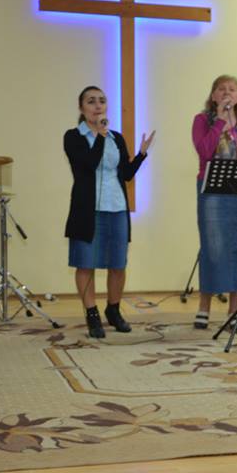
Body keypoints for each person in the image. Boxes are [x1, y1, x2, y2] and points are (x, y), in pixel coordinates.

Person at [64, 85, 155, 339]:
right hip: (87, 210)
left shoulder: (116, 137)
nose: (98, 105)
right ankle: (92, 315)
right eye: (91, 101)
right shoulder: (73, 136)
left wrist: (141, 154)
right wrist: (100, 137)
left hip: (117, 209)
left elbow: (125, 174)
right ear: (82, 108)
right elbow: (88, 165)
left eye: (102, 101)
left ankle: (113, 310)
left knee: (117, 264)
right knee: (86, 264)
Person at [191, 75, 237, 329]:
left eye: (232, 89)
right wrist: (221, 120)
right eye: (221, 89)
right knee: (213, 248)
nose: (227, 92)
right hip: (213, 192)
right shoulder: (203, 120)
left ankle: (234, 309)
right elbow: (204, 151)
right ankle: (204, 306)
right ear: (213, 96)